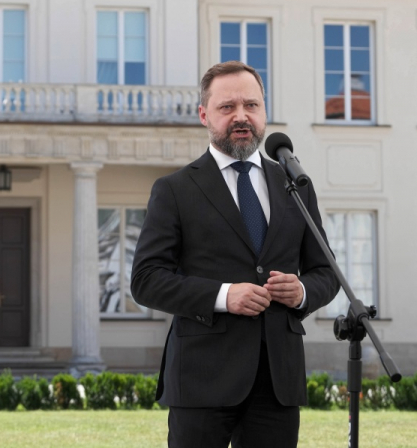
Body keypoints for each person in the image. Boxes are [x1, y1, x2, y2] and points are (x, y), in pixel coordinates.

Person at [131, 61, 340, 447]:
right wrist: (225, 296)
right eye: (227, 107)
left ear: (264, 111)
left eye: (251, 105)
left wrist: (303, 293)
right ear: (204, 115)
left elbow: (325, 271)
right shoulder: (174, 189)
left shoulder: (296, 185)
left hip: (277, 381)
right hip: (200, 379)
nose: (241, 116)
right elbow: (146, 280)